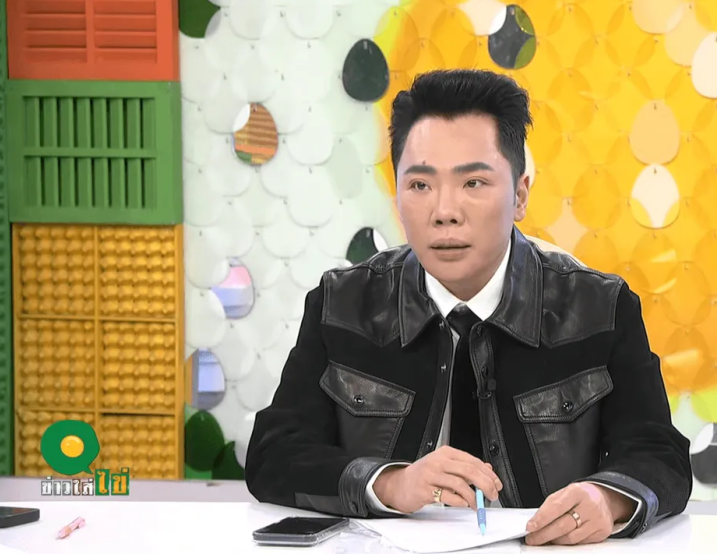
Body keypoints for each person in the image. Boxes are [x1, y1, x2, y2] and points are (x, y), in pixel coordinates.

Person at [245, 69, 692, 546]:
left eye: (473, 182)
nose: (445, 212)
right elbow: (274, 453)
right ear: (397, 195)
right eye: (420, 185)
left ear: (520, 195)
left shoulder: (600, 308)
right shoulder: (343, 304)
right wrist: (390, 483)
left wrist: (608, 499)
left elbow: (659, 454)